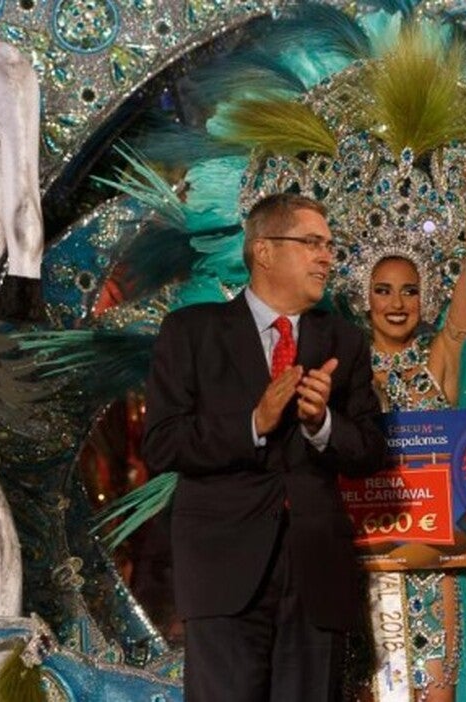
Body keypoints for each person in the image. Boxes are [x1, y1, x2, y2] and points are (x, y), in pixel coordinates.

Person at [141, 192, 388, 701]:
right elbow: (163, 444)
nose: (326, 258)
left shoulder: (344, 342)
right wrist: (253, 422)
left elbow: (370, 450)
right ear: (264, 250)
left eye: (330, 246)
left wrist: (322, 424)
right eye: (312, 243)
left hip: (316, 577)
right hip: (223, 573)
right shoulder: (192, 332)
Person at [343, 132, 466, 701]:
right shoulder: (345, 368)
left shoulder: (437, 361)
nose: (397, 303)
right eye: (383, 290)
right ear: (364, 297)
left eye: (409, 291)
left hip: (433, 564)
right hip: (364, 563)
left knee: (434, 691)